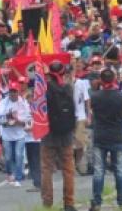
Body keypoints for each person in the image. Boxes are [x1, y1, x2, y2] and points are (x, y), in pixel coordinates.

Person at [89, 67, 122, 211]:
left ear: (101, 80)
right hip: (117, 137)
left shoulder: (95, 96)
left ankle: (97, 202)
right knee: (120, 171)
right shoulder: (121, 96)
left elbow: (93, 113)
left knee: (99, 171)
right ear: (114, 79)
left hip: (100, 137)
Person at [42, 61, 77, 211]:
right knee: (68, 169)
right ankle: (69, 203)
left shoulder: (45, 89)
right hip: (67, 134)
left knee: (46, 169)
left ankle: (47, 203)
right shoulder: (68, 89)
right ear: (63, 73)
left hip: (49, 133)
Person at [0, 81, 30, 187]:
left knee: (19, 155)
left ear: (18, 91)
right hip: (7, 135)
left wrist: (17, 121)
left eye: (15, 91)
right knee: (8, 157)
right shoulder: (3, 103)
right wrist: (5, 122)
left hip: (20, 134)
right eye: (11, 91)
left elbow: (27, 120)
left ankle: (18, 176)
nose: (13, 94)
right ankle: (10, 173)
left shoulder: (23, 102)